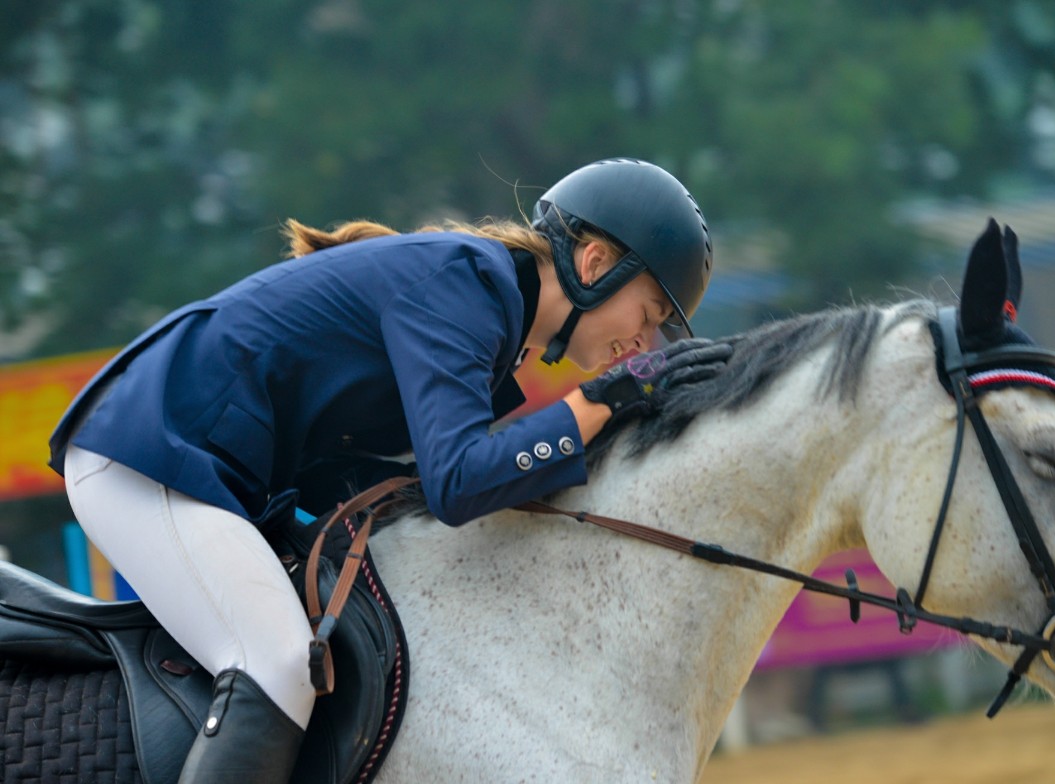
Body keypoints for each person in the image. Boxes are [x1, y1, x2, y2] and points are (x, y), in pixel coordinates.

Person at [47, 158, 731, 783]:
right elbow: (458, 482)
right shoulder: (468, 284)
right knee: (280, 661)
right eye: (648, 316)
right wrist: (600, 401)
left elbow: (382, 476)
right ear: (595, 261)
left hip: (209, 467)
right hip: (149, 451)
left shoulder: (488, 302)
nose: (643, 345)